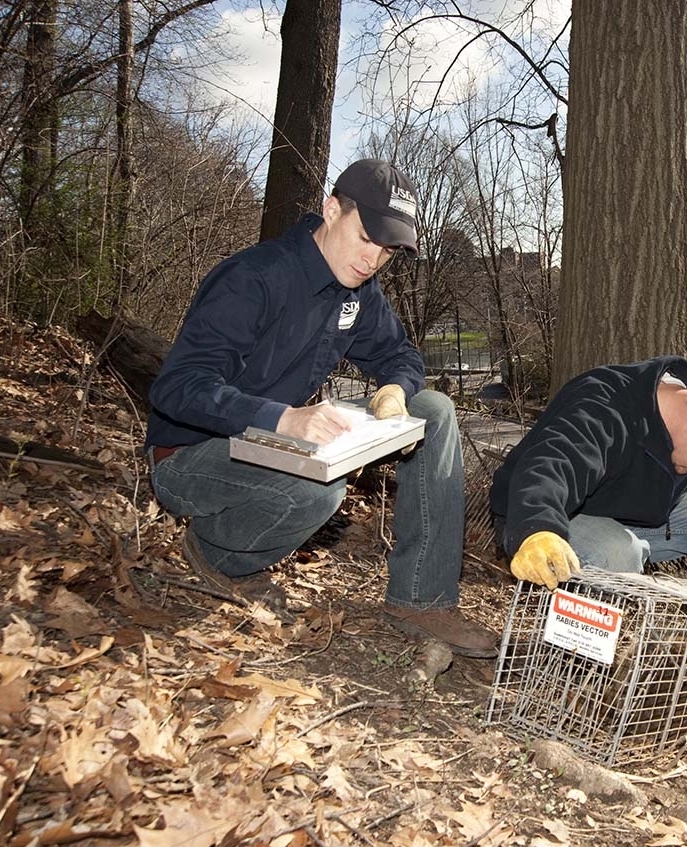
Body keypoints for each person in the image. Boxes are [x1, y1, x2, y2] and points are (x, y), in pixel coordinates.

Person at [144, 158, 497, 657]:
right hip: (191, 455)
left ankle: (421, 600)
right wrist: (284, 419)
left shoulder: (357, 290)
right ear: (332, 210)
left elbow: (400, 355)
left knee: (433, 409)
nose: (373, 259)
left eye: (387, 249)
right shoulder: (254, 277)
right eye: (365, 237)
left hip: (266, 440)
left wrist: (394, 390)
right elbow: (178, 388)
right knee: (317, 486)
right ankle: (217, 553)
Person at [489, 356, 687, 605]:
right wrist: (537, 528)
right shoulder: (605, 405)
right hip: (557, 512)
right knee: (617, 551)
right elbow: (552, 464)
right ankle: (576, 664)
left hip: (644, 514)